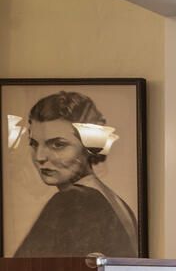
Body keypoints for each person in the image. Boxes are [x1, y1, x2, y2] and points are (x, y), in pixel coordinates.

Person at [10, 90, 139, 257]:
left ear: (89, 147)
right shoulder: (114, 201)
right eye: (34, 144)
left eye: (58, 145)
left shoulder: (72, 201)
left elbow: (23, 269)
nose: (40, 157)